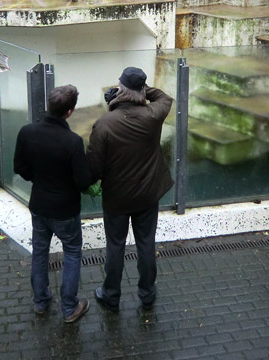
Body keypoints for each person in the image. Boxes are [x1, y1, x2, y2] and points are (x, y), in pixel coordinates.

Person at [87, 67, 174, 312]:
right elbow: (165, 98)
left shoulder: (105, 123)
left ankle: (111, 295)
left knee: (115, 245)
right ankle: (147, 294)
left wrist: (119, 98)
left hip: (117, 198)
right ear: (141, 91)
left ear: (120, 89)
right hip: (147, 194)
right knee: (146, 242)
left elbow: (93, 167)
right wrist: (140, 90)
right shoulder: (153, 114)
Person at [13, 85, 93, 324]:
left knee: (39, 252)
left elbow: (20, 168)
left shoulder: (26, 132)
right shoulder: (72, 142)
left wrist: (38, 179)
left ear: (48, 106)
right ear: (69, 111)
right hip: (65, 209)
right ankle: (69, 308)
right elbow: (82, 181)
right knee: (71, 252)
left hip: (38, 204)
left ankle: (40, 302)